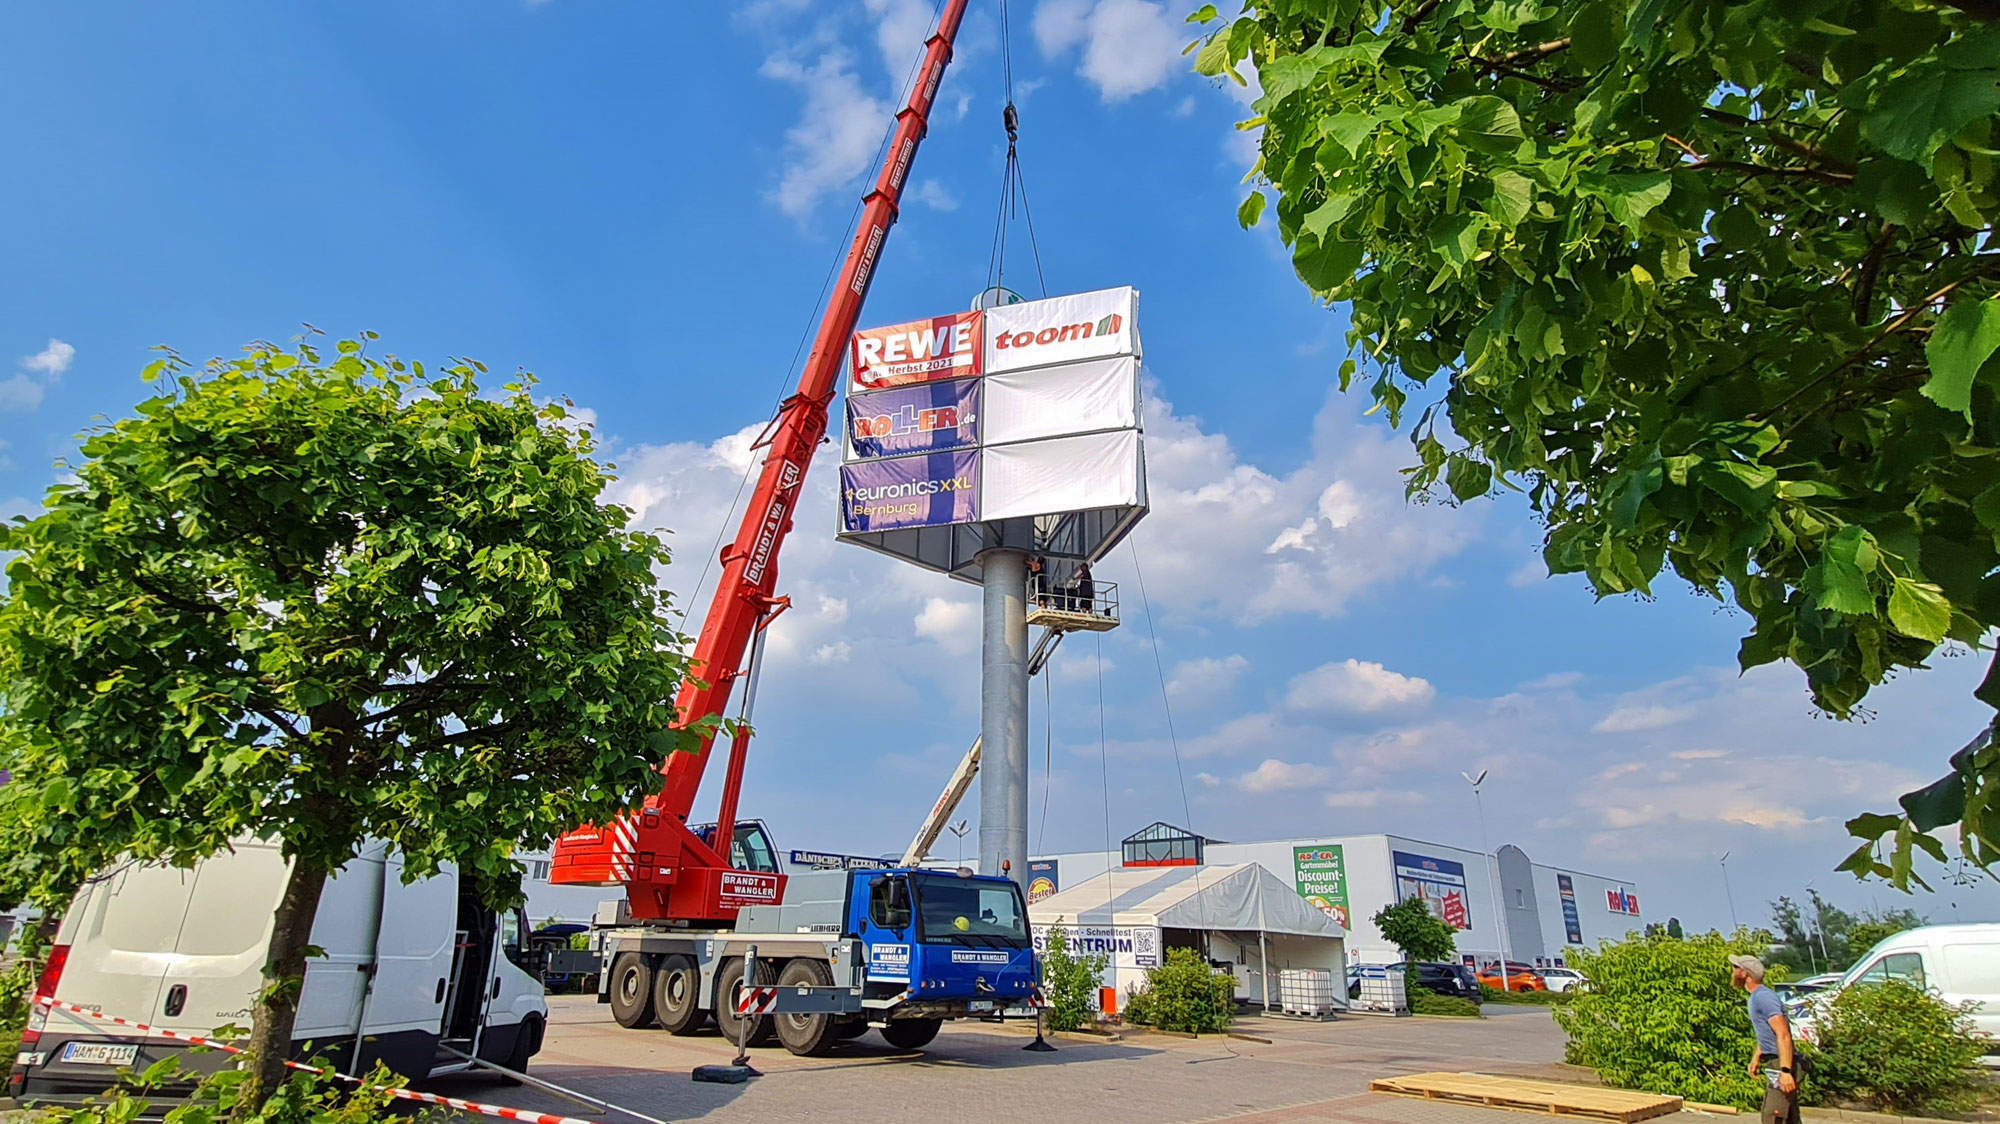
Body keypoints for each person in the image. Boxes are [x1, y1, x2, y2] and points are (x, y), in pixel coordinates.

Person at [1730, 954, 1799, 1124]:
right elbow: (1767, 1033)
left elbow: (1783, 1034)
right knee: (1787, 1116)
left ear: (1744, 973)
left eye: (1735, 967)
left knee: (1773, 1116)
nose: (1732, 971)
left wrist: (1785, 1071)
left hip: (1780, 1062)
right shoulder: (1756, 997)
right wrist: (1757, 1056)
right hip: (1774, 1060)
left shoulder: (1763, 997)